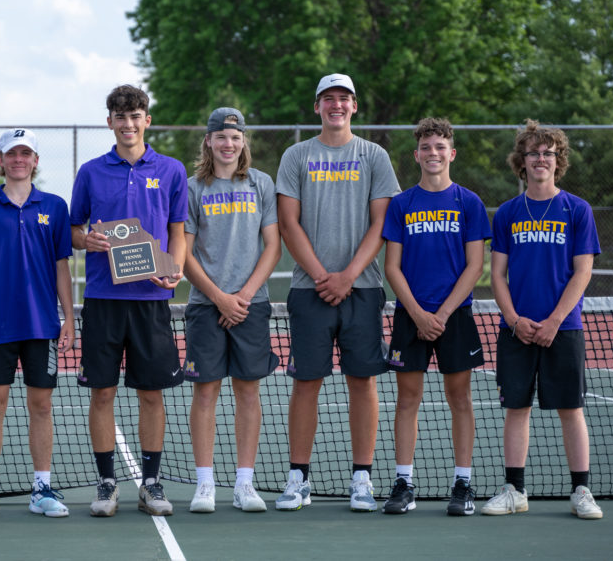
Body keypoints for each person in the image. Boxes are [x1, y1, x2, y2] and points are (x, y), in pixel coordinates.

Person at [275, 73, 400, 512]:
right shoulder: (296, 156)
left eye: (343, 98)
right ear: (317, 107)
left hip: (362, 290)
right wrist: (322, 276)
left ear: (354, 106)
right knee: (306, 382)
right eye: (328, 98)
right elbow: (288, 224)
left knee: (362, 382)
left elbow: (381, 223)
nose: (336, 105)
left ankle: (362, 479)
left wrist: (348, 275)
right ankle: (298, 478)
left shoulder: (374, 155)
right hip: (309, 293)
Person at [70, 84, 187, 517]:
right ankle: (106, 484)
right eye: (120, 117)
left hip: (151, 300)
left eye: (135, 115)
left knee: (151, 394)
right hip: (103, 298)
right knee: (102, 394)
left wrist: (173, 268)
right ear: (110, 123)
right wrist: (88, 240)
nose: (128, 124)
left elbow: (178, 230)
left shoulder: (172, 170)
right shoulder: (90, 171)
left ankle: (152, 484)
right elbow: (72, 231)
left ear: (147, 120)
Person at [482, 119, 603, 520]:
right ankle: (515, 490)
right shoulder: (508, 214)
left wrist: (553, 320)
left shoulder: (577, 210)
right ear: (522, 161)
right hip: (517, 330)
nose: (540, 159)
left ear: (558, 160)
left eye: (548, 152)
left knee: (571, 409)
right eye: (533, 152)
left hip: (563, 329)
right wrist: (514, 319)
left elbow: (582, 272)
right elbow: (497, 275)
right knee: (517, 408)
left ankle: (581, 490)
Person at [0, 128, 75, 520]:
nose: (19, 159)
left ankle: (41, 488)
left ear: (36, 161)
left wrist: (69, 317)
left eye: (26, 154)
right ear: (1, 160)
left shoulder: (56, 207)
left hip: (42, 325)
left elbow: (62, 268)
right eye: (12, 154)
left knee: (41, 406)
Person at [381, 117, 491, 515]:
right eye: (426, 147)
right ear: (416, 155)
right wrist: (417, 313)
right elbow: (392, 267)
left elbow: (475, 266)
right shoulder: (402, 204)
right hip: (412, 317)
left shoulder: (469, 202)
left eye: (440, 147)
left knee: (459, 398)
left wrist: (441, 314)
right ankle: (404, 482)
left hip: (454, 318)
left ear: (452, 153)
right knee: (406, 399)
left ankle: (463, 483)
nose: (433, 153)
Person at [183, 107, 281, 513]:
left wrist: (241, 297)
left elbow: (273, 246)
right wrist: (220, 298)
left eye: (236, 137)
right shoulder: (192, 188)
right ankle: (205, 484)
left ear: (244, 142)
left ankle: (245, 484)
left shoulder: (261, 183)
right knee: (205, 393)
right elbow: (184, 255)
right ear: (208, 140)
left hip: (251, 305)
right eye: (221, 137)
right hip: (206, 307)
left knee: (248, 392)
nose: (228, 144)